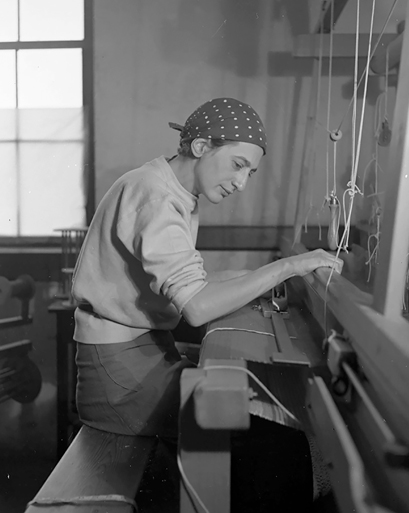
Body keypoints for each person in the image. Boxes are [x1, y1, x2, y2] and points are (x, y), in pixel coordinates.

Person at [71, 97, 342, 511]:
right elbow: (196, 306)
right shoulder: (157, 198)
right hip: (119, 378)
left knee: (262, 433)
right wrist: (287, 267)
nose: (242, 183)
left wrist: (265, 278)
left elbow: (190, 283)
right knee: (281, 449)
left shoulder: (165, 188)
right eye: (237, 164)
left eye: (250, 172)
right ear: (200, 147)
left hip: (135, 359)